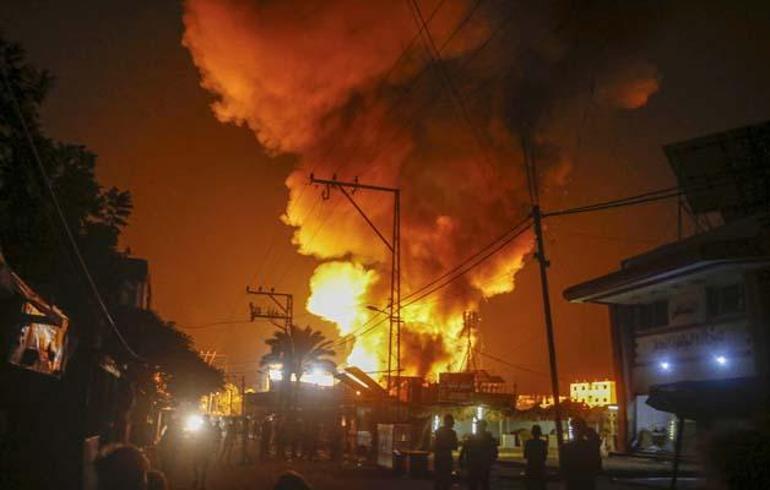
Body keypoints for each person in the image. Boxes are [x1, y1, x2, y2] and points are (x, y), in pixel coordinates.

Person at [560, 418, 602, 490]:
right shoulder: (590, 446)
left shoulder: (566, 447)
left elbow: (563, 468)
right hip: (586, 481)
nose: (572, 431)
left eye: (573, 428)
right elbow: (597, 465)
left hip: (574, 481)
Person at [459, 420, 498, 490]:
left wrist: (461, 460)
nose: (478, 428)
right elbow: (465, 449)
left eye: (479, 426)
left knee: (480, 483)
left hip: (479, 464)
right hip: (477, 464)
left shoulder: (487, 438)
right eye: (478, 426)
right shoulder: (475, 438)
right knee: (479, 483)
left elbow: (494, 451)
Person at [433, 414, 459, 490]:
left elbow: (435, 445)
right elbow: (455, 446)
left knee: (438, 478)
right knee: (446, 478)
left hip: (439, 456)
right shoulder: (452, 433)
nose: (453, 423)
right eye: (452, 422)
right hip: (446, 457)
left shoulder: (438, 431)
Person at [523, 425, 548, 490]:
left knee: (530, 485)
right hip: (540, 467)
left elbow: (525, 455)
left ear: (532, 433)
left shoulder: (528, 443)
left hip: (530, 467)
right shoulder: (543, 443)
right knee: (541, 485)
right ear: (540, 433)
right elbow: (545, 455)